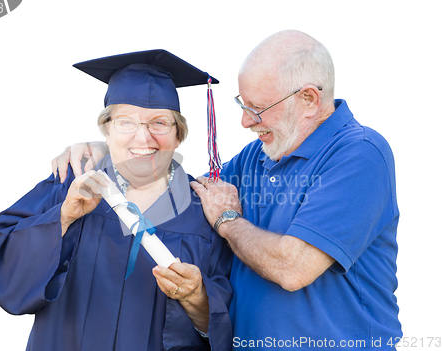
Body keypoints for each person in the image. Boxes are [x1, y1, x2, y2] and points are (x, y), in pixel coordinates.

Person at [53, 30, 402, 350]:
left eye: (257, 109)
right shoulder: (259, 156)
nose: (245, 121)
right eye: (242, 105)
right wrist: (116, 150)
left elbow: (293, 268)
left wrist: (228, 220)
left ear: (309, 99)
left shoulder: (359, 154)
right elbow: (177, 189)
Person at [0, 49, 233, 351]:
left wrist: (199, 299)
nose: (143, 138)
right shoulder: (70, 185)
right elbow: (7, 282)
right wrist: (63, 218)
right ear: (107, 130)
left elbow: (233, 321)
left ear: (178, 135)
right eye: (126, 122)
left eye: (159, 123)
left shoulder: (204, 211)